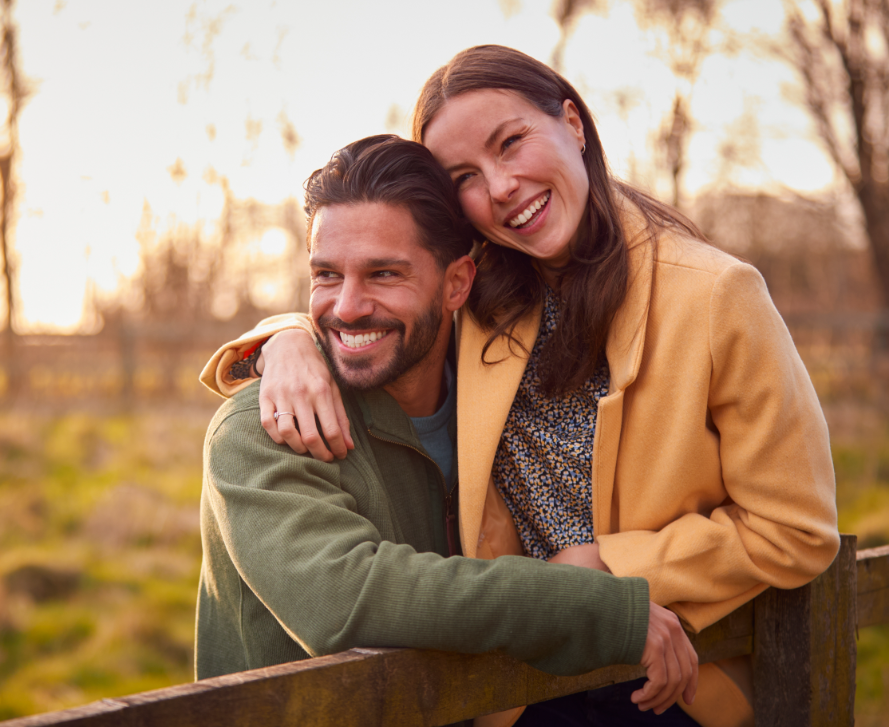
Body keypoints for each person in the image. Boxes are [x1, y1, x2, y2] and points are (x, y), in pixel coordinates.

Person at [201, 46, 840, 727]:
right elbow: (375, 288)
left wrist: (605, 566)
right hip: (514, 686)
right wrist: (287, 339)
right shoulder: (490, 296)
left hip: (665, 674)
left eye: (511, 143)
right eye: (466, 176)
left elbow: (796, 527)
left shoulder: (716, 295)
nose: (501, 186)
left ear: (573, 121)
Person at [196, 134, 700, 724]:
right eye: (326, 275)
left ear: (457, 283)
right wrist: (604, 611)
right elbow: (348, 600)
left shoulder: (501, 405)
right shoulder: (260, 427)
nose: (347, 306)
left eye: (383, 274)